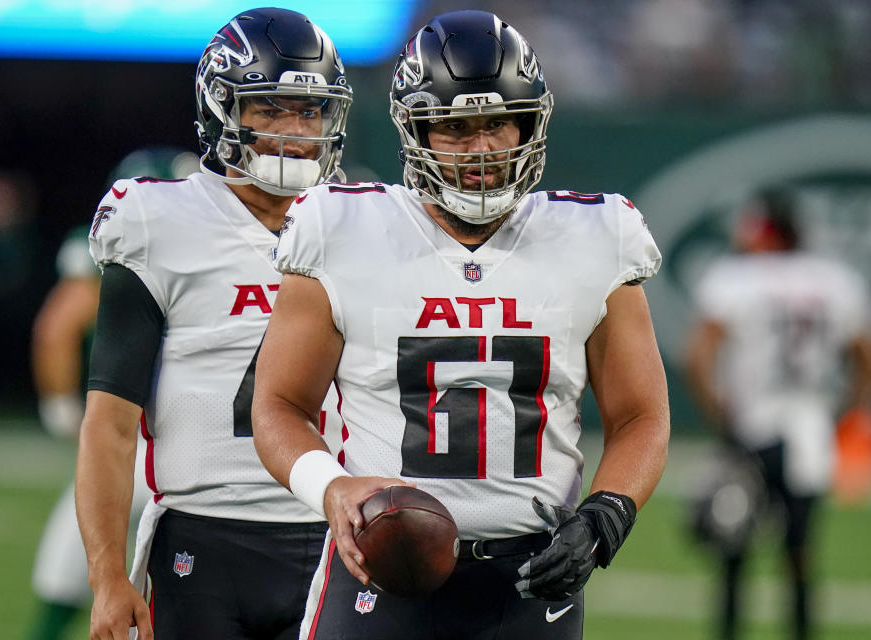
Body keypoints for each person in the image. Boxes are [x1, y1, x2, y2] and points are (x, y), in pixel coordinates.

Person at [251, 11, 670, 640]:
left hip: (531, 578)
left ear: (529, 121)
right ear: (415, 128)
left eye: (498, 123)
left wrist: (606, 513)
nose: (481, 149)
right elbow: (279, 404)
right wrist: (332, 489)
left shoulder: (595, 237)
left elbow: (641, 416)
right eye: (456, 127)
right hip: (380, 566)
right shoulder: (340, 228)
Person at [74, 8, 352, 640]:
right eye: (270, 109)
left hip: (333, 527)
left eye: (309, 112)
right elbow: (111, 423)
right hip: (203, 535)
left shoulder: (356, 224)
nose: (293, 131)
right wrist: (107, 577)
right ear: (222, 110)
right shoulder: (156, 219)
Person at [685, 189, 871, 640]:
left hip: (751, 425)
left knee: (732, 547)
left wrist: (721, 417)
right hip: (810, 431)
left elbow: (698, 357)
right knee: (799, 553)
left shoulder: (736, 277)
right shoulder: (833, 280)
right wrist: (844, 414)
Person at [26, 148, 197, 640]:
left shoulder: (110, 248)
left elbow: (56, 327)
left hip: (138, 439)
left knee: (69, 567)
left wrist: (59, 407)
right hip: (209, 442)